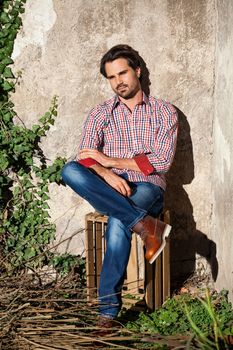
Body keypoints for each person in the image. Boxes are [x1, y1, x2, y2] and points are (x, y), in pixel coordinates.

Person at [62, 44, 178, 329]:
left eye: (123, 73)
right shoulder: (100, 113)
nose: (118, 82)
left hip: (148, 188)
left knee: (117, 221)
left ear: (137, 71)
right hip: (110, 187)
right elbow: (85, 157)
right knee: (69, 170)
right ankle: (144, 226)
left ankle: (108, 312)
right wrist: (105, 172)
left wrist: (111, 160)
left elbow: (160, 163)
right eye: (111, 77)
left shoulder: (164, 112)